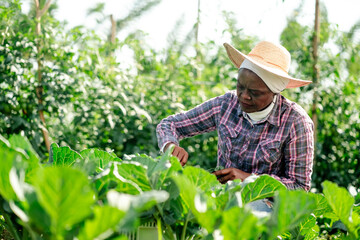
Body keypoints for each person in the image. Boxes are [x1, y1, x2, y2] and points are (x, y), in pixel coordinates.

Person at [156, 41, 314, 194]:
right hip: (222, 195)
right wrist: (170, 146)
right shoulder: (226, 104)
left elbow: (299, 187)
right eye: (240, 86)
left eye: (255, 93)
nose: (244, 96)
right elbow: (170, 124)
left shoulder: (296, 122)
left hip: (268, 207)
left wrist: (248, 179)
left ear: (274, 92)